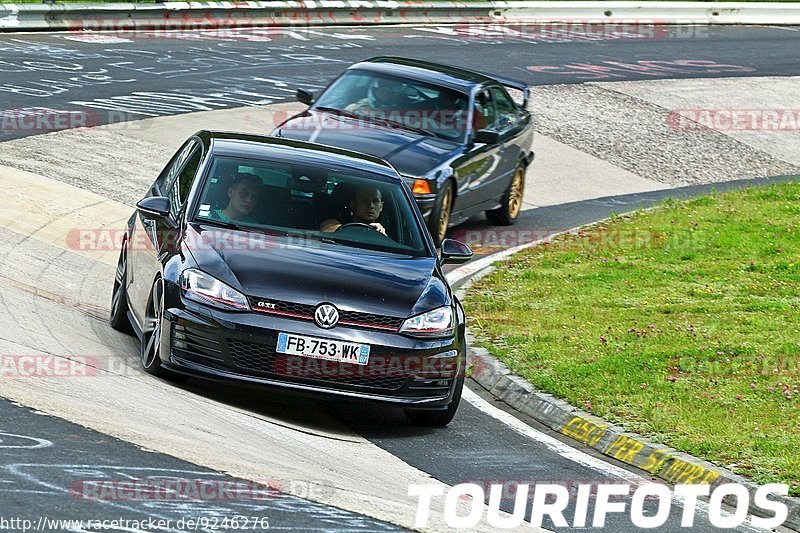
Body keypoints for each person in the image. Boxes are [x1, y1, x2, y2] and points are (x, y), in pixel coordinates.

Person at [320, 185, 387, 235]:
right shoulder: (340, 223)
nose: (371, 206)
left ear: (381, 206)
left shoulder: (389, 231)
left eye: (375, 201)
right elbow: (326, 229)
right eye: (365, 201)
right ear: (353, 204)